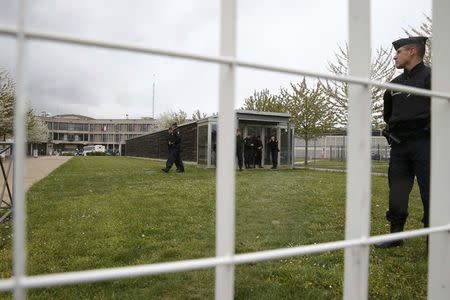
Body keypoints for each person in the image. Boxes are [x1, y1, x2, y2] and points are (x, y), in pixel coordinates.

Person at [376, 36, 431, 248]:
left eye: (398, 52)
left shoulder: (431, 78)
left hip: (425, 144)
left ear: (412, 52)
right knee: (397, 191)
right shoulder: (394, 84)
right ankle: (395, 236)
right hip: (400, 146)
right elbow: (388, 114)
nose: (394, 56)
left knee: (430, 192)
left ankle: (433, 241)